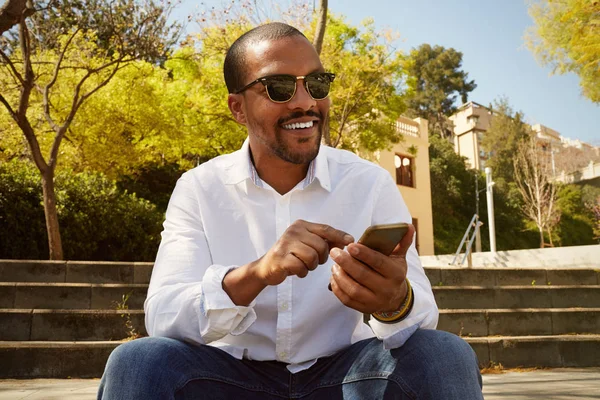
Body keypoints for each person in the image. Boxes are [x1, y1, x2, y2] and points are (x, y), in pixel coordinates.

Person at [98, 22, 483, 400]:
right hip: (227, 378)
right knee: (137, 362)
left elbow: (420, 318)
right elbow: (164, 316)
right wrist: (257, 274)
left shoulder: (369, 183)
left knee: (445, 355)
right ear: (238, 108)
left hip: (347, 375)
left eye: (317, 84)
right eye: (279, 87)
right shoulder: (199, 187)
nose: (305, 102)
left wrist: (393, 301)